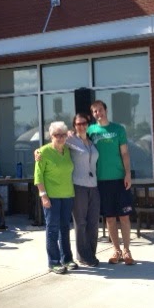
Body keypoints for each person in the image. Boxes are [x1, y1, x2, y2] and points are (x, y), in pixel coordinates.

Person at [87, 100, 134, 265]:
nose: (98, 113)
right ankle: (116, 250)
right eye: (95, 111)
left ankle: (127, 250)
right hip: (101, 181)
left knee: (124, 217)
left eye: (100, 110)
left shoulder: (118, 129)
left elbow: (125, 153)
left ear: (105, 110)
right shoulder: (90, 131)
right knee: (110, 218)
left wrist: (127, 174)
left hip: (119, 179)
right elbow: (75, 142)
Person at [34, 121, 76, 274]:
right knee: (52, 229)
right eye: (56, 135)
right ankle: (53, 262)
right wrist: (43, 196)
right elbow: (38, 177)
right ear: (51, 136)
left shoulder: (68, 149)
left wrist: (71, 133)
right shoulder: (43, 152)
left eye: (63, 134)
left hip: (67, 195)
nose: (60, 137)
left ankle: (67, 259)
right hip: (51, 197)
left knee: (65, 228)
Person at [66, 113, 100, 267]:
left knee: (93, 222)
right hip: (78, 186)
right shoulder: (70, 140)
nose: (81, 126)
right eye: (78, 124)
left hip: (94, 186)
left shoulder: (91, 142)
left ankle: (91, 254)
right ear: (74, 126)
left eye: (84, 123)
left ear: (88, 124)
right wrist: (39, 153)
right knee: (80, 222)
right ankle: (83, 256)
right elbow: (53, 141)